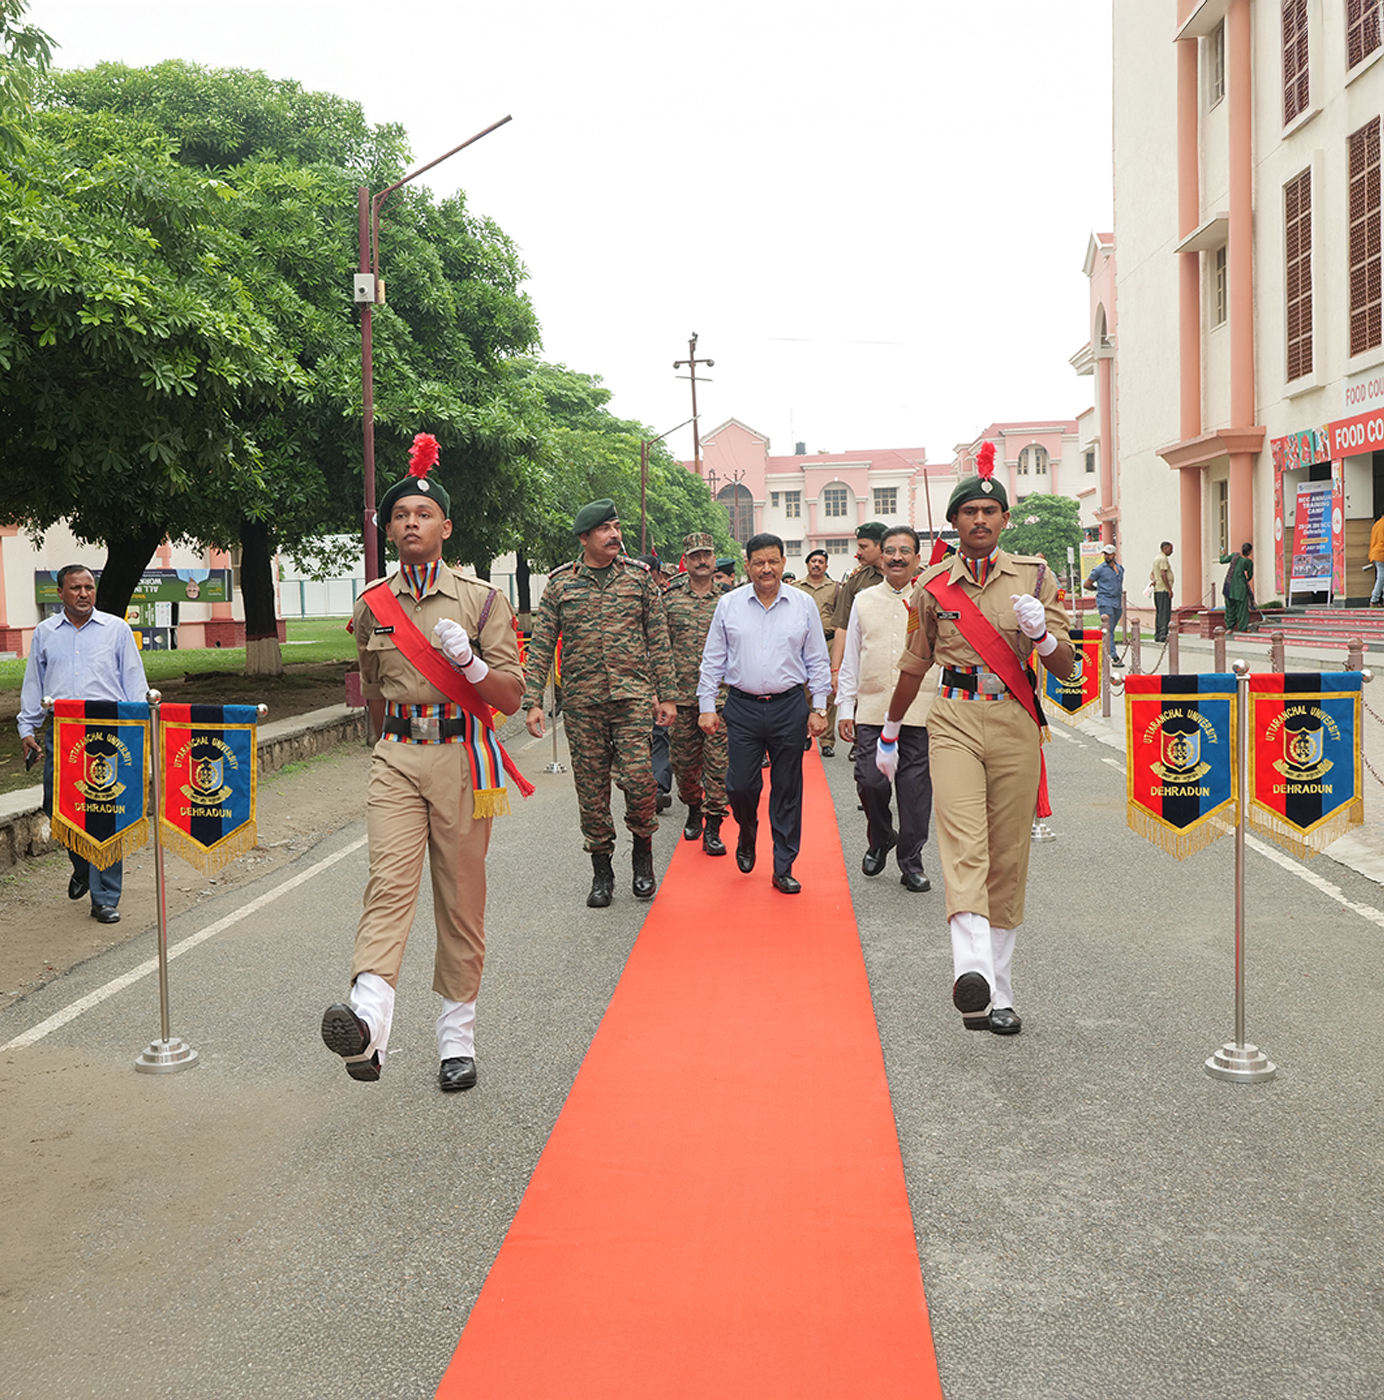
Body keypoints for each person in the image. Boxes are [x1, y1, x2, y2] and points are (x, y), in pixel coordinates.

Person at [320, 434, 525, 1092]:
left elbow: (512, 696)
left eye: (422, 513)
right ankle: (368, 1024)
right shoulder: (371, 604)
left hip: (464, 758)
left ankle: (454, 1040)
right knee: (388, 886)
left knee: (461, 901)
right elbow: (373, 696)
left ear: (445, 527)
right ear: (389, 529)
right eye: (399, 515)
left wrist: (469, 662)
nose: (410, 522)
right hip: (398, 757)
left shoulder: (483, 601)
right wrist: (388, 749)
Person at [878, 445, 1074, 1034]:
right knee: (964, 842)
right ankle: (972, 971)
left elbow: (1068, 669)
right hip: (955, 718)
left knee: (1008, 855)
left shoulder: (1037, 576)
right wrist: (888, 731)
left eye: (991, 511)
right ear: (955, 523)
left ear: (1004, 521)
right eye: (970, 512)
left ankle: (1001, 990)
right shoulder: (932, 585)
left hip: (1014, 719)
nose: (981, 521)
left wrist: (1040, 636)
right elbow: (915, 663)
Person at [523, 501, 677, 907]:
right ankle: (602, 871)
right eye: (604, 529)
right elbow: (540, 645)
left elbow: (658, 640)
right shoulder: (560, 585)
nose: (614, 534)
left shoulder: (639, 580)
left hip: (632, 699)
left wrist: (668, 696)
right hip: (583, 703)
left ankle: (643, 858)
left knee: (640, 779)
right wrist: (533, 700)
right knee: (591, 790)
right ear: (584, 538)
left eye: (616, 526)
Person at [698, 533, 832, 894]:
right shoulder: (729, 605)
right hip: (742, 706)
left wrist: (819, 707)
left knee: (787, 788)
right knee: (740, 785)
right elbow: (713, 660)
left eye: (773, 561)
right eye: (759, 562)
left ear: (784, 563)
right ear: (748, 565)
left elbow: (817, 659)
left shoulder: (803, 605)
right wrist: (707, 706)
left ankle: (783, 865)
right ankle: (747, 830)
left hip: (789, 706)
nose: (766, 569)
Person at [17, 564, 148, 925]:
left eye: (89, 587)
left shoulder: (116, 629)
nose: (83, 593)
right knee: (57, 806)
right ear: (60, 593)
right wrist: (27, 727)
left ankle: (104, 896)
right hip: (63, 729)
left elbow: (135, 682)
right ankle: (83, 867)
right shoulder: (45, 633)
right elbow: (34, 682)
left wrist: (139, 730)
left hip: (109, 730)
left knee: (107, 811)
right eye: (75, 588)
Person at [835, 526, 933, 892]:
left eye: (904, 551)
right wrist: (845, 707)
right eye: (890, 550)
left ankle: (912, 862)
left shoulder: (930, 599)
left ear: (917, 559)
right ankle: (880, 837)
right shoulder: (863, 599)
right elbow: (851, 659)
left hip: (920, 711)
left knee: (915, 791)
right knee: (870, 782)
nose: (896, 557)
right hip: (873, 709)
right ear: (881, 556)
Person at [663, 532, 729, 856]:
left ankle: (713, 826)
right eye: (695, 556)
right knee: (684, 765)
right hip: (682, 698)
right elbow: (659, 649)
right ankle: (693, 807)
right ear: (685, 561)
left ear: (714, 559)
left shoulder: (729, 600)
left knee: (717, 764)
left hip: (721, 698)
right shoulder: (670, 599)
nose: (702, 560)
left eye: (707, 555)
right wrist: (660, 693)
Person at [793, 548, 841, 757]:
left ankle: (827, 740)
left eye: (821, 562)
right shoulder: (796, 588)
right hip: (802, 644)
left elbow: (840, 619)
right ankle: (803, 733)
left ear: (826, 566)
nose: (816, 565)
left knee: (827, 689)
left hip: (828, 641)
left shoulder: (836, 588)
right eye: (813, 561)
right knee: (802, 690)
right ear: (807, 564)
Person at [637, 553, 674, 813]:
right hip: (633, 680)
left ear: (658, 575)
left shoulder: (668, 602)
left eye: (649, 573)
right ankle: (642, 786)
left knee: (660, 731)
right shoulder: (624, 601)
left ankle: (659, 787)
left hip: (661, 675)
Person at [1084, 543, 1126, 665]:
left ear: (1114, 554)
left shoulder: (1120, 568)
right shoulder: (1099, 569)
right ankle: (1114, 656)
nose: (1106, 556)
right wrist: (1098, 589)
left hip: (1117, 602)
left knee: (1110, 628)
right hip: (1105, 601)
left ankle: (1100, 644)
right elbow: (1086, 584)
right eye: (1105, 554)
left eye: (1109, 554)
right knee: (1109, 629)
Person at [1220, 541, 1255, 632]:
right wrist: (1246, 580)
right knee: (1242, 608)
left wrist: (1222, 554)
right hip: (1240, 587)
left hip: (1229, 584)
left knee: (1230, 607)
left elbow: (1222, 561)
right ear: (1249, 552)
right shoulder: (1248, 562)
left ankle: (1230, 627)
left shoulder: (1234, 556)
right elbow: (1250, 575)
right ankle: (1243, 627)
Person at [1150, 541, 1175, 641]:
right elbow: (1163, 573)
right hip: (1163, 589)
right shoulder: (1163, 558)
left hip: (1157, 589)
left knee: (1159, 612)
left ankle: (1158, 633)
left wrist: (1155, 580)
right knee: (1165, 613)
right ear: (1165, 548)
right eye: (1170, 549)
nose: (1172, 551)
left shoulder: (1157, 558)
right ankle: (1163, 634)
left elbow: (1152, 574)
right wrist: (1169, 588)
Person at [1368, 512, 1384, 606]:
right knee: (1381, 577)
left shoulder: (1376, 525)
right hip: (1382, 553)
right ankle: (1374, 598)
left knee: (1382, 577)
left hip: (1375, 553)